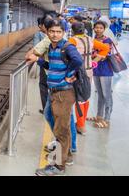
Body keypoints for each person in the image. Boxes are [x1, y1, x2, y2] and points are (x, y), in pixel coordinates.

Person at [30, 19, 83, 176]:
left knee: (61, 129)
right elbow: (51, 66)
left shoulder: (66, 47)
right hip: (54, 91)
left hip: (63, 93)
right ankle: (66, 154)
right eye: (52, 31)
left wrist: (68, 75)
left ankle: (58, 166)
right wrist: (39, 60)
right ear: (47, 32)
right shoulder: (53, 48)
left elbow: (78, 60)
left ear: (63, 32)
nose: (55, 34)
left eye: (58, 32)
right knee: (50, 116)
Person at [68, 21, 109, 135]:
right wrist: (95, 60)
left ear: (73, 30)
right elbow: (105, 48)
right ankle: (81, 124)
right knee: (85, 97)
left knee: (79, 99)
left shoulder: (73, 40)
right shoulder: (90, 39)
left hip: (78, 73)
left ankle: (81, 125)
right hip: (89, 71)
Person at [90, 21, 114, 129]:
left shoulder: (107, 40)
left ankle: (107, 118)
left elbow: (106, 55)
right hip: (96, 70)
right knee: (99, 94)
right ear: (94, 28)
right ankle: (99, 116)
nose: (98, 29)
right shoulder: (92, 40)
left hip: (105, 71)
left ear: (104, 29)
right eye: (96, 27)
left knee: (107, 95)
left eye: (100, 28)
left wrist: (96, 55)